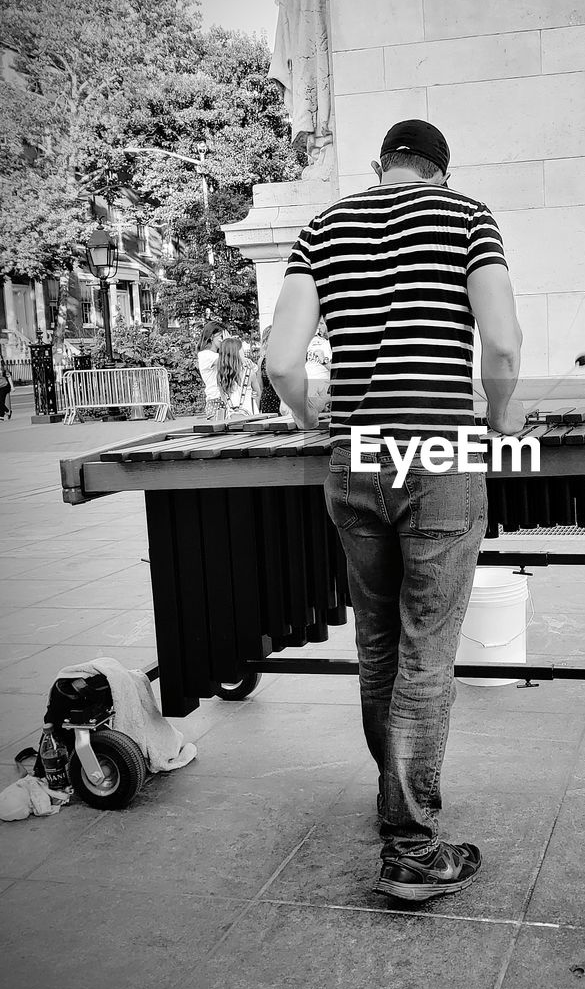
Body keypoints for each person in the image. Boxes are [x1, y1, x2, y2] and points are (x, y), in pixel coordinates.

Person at [266, 118, 524, 903]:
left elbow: (281, 360)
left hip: (355, 459)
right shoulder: (466, 215)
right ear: (441, 172)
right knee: (426, 654)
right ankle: (412, 846)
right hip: (437, 456)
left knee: (378, 644)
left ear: (383, 166)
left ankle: (394, 803)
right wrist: (505, 423)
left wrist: (312, 418)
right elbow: (504, 347)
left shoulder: (324, 226)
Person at [216, 335, 261, 421]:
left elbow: (224, 400)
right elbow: (258, 394)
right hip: (251, 415)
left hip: (231, 419)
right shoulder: (249, 373)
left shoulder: (220, 377)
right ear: (237, 353)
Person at [196, 320, 226, 420]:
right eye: (221, 337)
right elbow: (229, 361)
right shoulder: (205, 355)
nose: (223, 340)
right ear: (212, 336)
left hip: (224, 398)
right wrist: (229, 343)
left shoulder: (216, 355)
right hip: (215, 400)